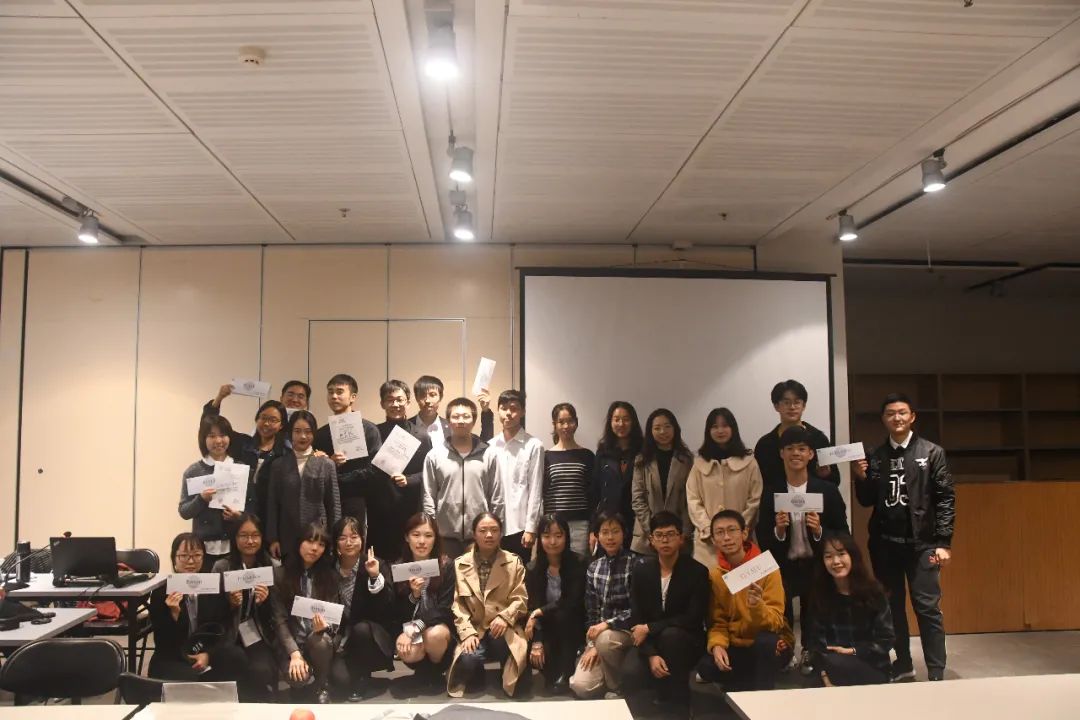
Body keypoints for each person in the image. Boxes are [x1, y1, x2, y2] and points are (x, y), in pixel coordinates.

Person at [853, 392, 955, 682]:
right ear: (883, 419)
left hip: (923, 545)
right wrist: (861, 477)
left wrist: (943, 543)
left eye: (901, 412)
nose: (896, 418)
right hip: (885, 545)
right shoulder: (875, 455)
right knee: (891, 607)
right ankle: (903, 664)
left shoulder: (932, 452)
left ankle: (936, 670)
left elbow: (945, 498)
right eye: (890, 413)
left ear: (912, 417)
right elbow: (866, 500)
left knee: (927, 607)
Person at [758, 425, 849, 675]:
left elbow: (843, 532)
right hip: (783, 565)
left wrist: (819, 531)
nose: (795, 453)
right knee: (781, 612)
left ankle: (811, 652)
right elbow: (761, 534)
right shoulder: (772, 491)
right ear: (781, 454)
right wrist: (778, 530)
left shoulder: (827, 490)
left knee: (815, 613)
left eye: (801, 449)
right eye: (789, 449)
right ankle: (785, 654)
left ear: (811, 454)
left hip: (816, 562)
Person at [695, 510, 793, 692]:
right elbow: (718, 621)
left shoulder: (767, 567)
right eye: (720, 532)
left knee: (766, 643)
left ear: (744, 533)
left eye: (732, 530)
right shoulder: (715, 575)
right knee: (707, 666)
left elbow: (776, 621)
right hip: (736, 644)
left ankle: (761, 696)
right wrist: (717, 645)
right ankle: (745, 679)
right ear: (713, 540)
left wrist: (757, 607)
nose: (726, 537)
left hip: (768, 641)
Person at [628, 511, 709, 708]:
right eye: (659, 535)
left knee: (671, 637)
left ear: (681, 538)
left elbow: (693, 618)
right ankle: (660, 694)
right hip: (651, 641)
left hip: (686, 638)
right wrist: (651, 654)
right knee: (629, 673)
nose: (665, 540)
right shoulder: (641, 571)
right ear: (651, 540)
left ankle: (681, 702)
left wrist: (651, 627)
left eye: (671, 534)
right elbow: (637, 619)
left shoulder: (697, 571)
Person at [447, 512, 528, 697]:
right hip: (475, 628)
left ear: (501, 533)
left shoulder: (514, 562)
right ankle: (476, 672)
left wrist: (505, 617)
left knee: (500, 639)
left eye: (494, 530)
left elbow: (520, 599)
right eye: (483, 530)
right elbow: (457, 605)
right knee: (468, 658)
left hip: (503, 628)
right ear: (474, 534)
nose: (489, 535)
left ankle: (505, 669)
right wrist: (467, 632)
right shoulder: (459, 564)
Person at [148, 533, 247, 684]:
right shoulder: (161, 591)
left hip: (205, 650)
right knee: (188, 677)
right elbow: (162, 643)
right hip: (174, 655)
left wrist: (208, 655)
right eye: (184, 556)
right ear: (174, 559)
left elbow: (221, 628)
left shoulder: (211, 585)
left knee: (237, 658)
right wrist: (174, 614)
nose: (191, 561)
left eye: (197, 555)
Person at [270, 522, 347, 704]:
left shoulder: (330, 576)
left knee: (322, 644)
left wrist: (325, 628)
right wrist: (294, 653)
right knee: (298, 679)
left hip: (319, 642)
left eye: (321, 544)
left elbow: (336, 616)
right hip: (293, 642)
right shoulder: (280, 575)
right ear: (299, 542)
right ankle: (306, 683)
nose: (315, 548)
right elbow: (279, 620)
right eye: (310, 541)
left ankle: (321, 685)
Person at [207, 513, 278, 701]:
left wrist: (263, 603)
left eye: (255, 535)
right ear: (235, 538)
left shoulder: (271, 567)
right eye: (243, 535)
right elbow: (210, 613)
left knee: (261, 670)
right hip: (228, 634)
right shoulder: (221, 567)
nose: (250, 541)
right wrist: (230, 604)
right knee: (235, 660)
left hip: (258, 634)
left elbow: (278, 613)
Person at [808, 532, 894, 687]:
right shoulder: (820, 594)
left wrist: (853, 651)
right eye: (828, 556)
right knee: (808, 688)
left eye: (841, 554)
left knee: (837, 663)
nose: (836, 561)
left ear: (852, 556)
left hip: (871, 665)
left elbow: (886, 640)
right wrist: (825, 676)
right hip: (831, 666)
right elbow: (816, 643)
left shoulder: (873, 593)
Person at [570, 511, 639, 699]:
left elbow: (638, 610)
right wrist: (593, 645)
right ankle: (612, 677)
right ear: (597, 536)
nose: (610, 537)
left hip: (628, 632)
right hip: (601, 637)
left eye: (615, 531)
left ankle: (617, 688)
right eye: (605, 532)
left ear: (624, 534)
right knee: (581, 686)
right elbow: (592, 612)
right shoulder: (594, 567)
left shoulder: (636, 563)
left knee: (606, 641)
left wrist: (607, 625)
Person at [421, 397, 502, 558]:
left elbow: (497, 496)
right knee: (446, 574)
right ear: (448, 421)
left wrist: (496, 531)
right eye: (456, 416)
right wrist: (432, 529)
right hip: (445, 537)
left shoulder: (489, 454)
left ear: (474, 420)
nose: (461, 421)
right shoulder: (435, 455)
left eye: (466, 416)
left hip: (481, 535)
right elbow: (428, 496)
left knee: (480, 574)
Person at [686, 408, 763, 569]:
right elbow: (693, 500)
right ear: (708, 431)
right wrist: (709, 529)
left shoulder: (749, 462)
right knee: (709, 581)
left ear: (733, 428)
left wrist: (737, 529)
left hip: (742, 542)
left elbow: (755, 500)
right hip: (707, 542)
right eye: (715, 426)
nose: (720, 430)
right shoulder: (699, 464)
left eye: (725, 425)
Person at [331, 516, 395, 702]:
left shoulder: (376, 564)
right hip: (342, 636)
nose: (349, 542)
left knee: (361, 629)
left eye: (354, 537)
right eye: (342, 538)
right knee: (340, 683)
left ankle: (362, 676)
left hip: (370, 636)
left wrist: (374, 576)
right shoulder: (329, 567)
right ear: (335, 542)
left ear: (362, 539)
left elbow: (388, 606)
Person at [200, 394, 289, 522]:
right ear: (257, 419)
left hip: (267, 517)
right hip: (236, 514)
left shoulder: (284, 454)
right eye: (263, 418)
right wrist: (219, 398)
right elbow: (209, 423)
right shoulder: (242, 443)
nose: (266, 423)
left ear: (281, 425)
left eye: (273, 420)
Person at [525, 513, 587, 694]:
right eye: (546, 536)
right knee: (529, 630)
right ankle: (554, 670)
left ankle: (567, 669)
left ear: (566, 537)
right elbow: (532, 607)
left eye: (558, 535)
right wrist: (537, 641)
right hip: (547, 626)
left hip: (573, 624)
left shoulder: (579, 563)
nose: (552, 541)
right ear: (540, 538)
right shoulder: (533, 568)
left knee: (562, 616)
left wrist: (539, 611)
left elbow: (571, 601)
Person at [266, 410, 341, 560]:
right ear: (290, 433)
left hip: (318, 537)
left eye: (308, 431)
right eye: (297, 431)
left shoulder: (326, 464)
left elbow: (334, 504)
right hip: (288, 534)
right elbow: (272, 504)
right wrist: (273, 539)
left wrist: (335, 538)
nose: (303, 436)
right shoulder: (278, 465)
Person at [372, 380, 433, 561]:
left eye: (400, 399)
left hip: (409, 506)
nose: (395, 404)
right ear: (382, 403)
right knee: (381, 559)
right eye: (390, 400)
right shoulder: (374, 433)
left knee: (408, 557)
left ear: (408, 402)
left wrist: (409, 479)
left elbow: (428, 473)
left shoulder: (422, 436)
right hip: (379, 507)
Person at [393, 513, 456, 685]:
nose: (422, 541)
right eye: (416, 535)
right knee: (406, 650)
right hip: (411, 629)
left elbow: (445, 609)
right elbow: (398, 612)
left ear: (435, 539)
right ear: (407, 537)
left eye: (428, 535)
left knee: (434, 635)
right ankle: (424, 672)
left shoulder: (446, 565)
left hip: (440, 631)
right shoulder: (400, 567)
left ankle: (436, 671)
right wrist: (414, 595)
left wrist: (416, 627)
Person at [179, 416, 249, 568]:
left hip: (234, 544)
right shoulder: (193, 471)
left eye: (223, 435)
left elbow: (252, 509)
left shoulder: (240, 469)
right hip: (202, 547)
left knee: (232, 583)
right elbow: (184, 511)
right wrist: (201, 499)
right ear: (203, 439)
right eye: (212, 436)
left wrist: (239, 516)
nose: (218, 441)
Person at [313, 373, 383, 524]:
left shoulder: (369, 430)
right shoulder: (320, 434)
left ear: (353, 397)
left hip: (358, 499)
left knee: (352, 537)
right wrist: (329, 463)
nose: (334, 396)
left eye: (339, 392)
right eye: (330, 392)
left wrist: (340, 478)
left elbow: (376, 469)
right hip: (327, 500)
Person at [486, 389, 544, 565]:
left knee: (519, 574)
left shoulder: (534, 445)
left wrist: (531, 528)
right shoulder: (490, 446)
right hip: (493, 525)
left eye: (514, 408)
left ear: (523, 411)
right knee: (493, 575)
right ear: (498, 410)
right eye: (503, 408)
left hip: (520, 526)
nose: (508, 413)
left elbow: (536, 489)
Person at [754, 379, 839, 490]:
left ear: (804, 406)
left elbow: (835, 480)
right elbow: (758, 484)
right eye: (786, 402)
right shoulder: (765, 444)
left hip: (812, 500)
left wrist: (825, 474)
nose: (792, 407)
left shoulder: (818, 439)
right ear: (776, 406)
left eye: (797, 402)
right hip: (776, 500)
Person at [630, 409, 693, 556]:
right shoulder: (641, 460)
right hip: (646, 537)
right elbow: (637, 499)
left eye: (667, 426)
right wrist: (653, 531)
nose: (663, 431)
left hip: (679, 537)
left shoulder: (686, 460)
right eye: (657, 428)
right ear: (650, 431)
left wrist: (683, 531)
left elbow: (690, 499)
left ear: (675, 428)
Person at [543, 403, 595, 558]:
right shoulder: (546, 456)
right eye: (561, 422)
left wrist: (593, 527)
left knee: (578, 566)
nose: (566, 426)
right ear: (554, 424)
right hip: (554, 524)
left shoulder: (587, 455)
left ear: (576, 423)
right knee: (555, 564)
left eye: (570, 421)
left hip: (580, 523)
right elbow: (543, 492)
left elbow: (592, 494)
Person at [593, 401, 643, 549]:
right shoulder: (602, 452)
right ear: (610, 422)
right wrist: (592, 528)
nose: (621, 424)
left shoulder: (643, 450)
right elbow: (595, 491)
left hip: (636, 520)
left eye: (626, 419)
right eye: (616, 419)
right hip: (608, 521)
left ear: (633, 422)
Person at [410, 375, 493, 447]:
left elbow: (483, 445)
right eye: (422, 395)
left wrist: (485, 410)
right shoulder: (406, 428)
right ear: (416, 398)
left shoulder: (453, 427)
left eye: (432, 395)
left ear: (440, 397)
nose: (427, 400)